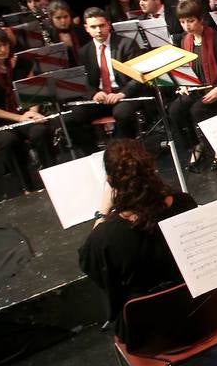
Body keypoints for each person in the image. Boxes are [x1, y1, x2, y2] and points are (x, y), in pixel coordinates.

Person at [78, 139, 197, 340]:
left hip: (148, 334)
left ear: (111, 182)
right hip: (202, 311)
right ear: (152, 169)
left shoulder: (105, 237)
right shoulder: (185, 203)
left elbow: (92, 266)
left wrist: (102, 214)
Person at [0, 27, 55, 192]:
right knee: (9, 141)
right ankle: (25, 187)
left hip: (25, 114)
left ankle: (53, 176)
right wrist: (19, 118)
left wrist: (33, 111)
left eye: (5, 45)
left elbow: (33, 96)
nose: (3, 50)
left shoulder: (23, 63)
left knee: (40, 132)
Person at [170, 0, 217, 170]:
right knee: (175, 109)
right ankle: (195, 145)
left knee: (197, 110)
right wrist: (184, 84)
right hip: (197, 88)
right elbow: (185, 69)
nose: (187, 26)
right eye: (183, 22)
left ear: (200, 19)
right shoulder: (185, 40)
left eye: (190, 21)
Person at [68, 7, 147, 151]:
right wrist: (93, 94)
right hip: (100, 97)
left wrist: (120, 94)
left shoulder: (127, 44)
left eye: (101, 25)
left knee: (122, 113)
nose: (98, 30)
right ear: (86, 28)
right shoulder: (84, 52)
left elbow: (138, 77)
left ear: (108, 24)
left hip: (123, 94)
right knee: (74, 116)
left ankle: (118, 152)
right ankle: (92, 154)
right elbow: (81, 81)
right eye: (93, 27)